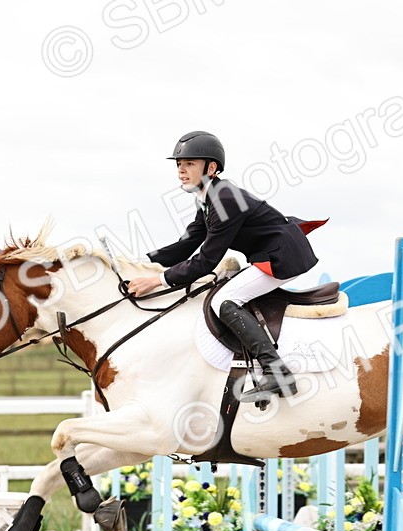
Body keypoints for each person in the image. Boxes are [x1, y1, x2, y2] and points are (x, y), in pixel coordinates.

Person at [127, 131, 318, 403]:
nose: (181, 169)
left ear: (212, 167)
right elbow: (187, 244)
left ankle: (278, 374)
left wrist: (158, 280)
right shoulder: (207, 197)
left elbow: (206, 261)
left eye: (190, 163)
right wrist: (139, 263)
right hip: (273, 252)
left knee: (225, 300)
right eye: (179, 164)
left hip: (283, 256)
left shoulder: (224, 199)